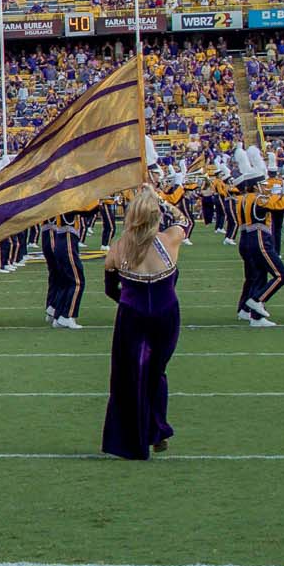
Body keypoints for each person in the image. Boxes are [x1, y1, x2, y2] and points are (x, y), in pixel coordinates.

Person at [102, 185, 186, 460]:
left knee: (129, 377)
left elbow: (110, 289)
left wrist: (129, 302)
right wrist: (161, 198)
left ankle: (130, 441)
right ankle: (158, 429)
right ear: (157, 216)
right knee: (156, 373)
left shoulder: (118, 247)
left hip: (132, 316)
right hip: (166, 314)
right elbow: (185, 220)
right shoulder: (171, 238)